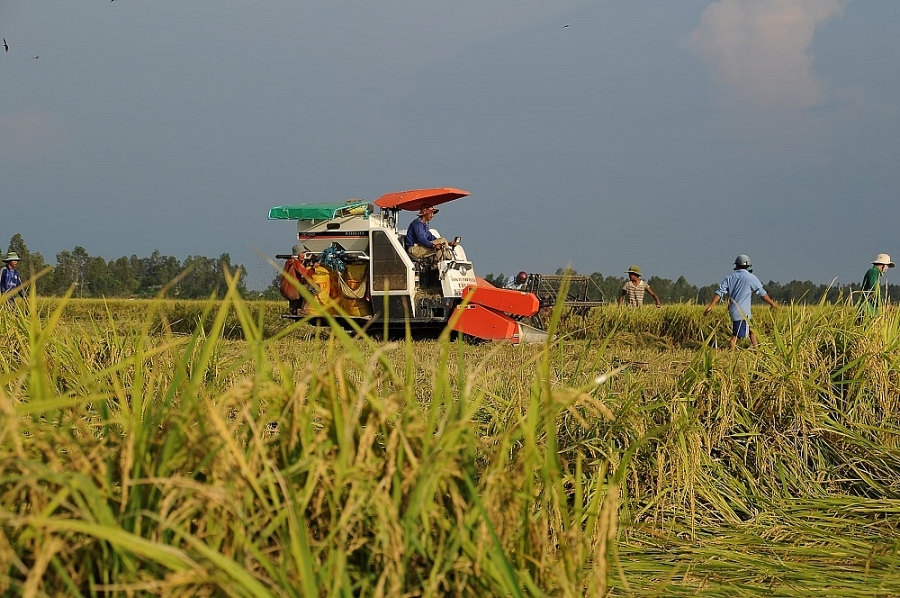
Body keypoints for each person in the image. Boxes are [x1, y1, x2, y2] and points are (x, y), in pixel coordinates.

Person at [703, 254, 777, 349]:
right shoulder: (751, 278)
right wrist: (772, 303)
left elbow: (719, 292)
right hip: (743, 312)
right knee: (736, 335)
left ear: (736, 265)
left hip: (734, 310)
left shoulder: (729, 277)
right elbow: (762, 293)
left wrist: (711, 306)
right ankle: (730, 353)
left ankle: (757, 351)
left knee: (752, 331)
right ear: (749, 265)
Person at [858, 253, 894, 320]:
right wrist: (885, 304)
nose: (887, 268)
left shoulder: (875, 273)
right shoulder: (873, 272)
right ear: (883, 265)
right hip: (868, 310)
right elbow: (874, 290)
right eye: (887, 266)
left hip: (870, 309)